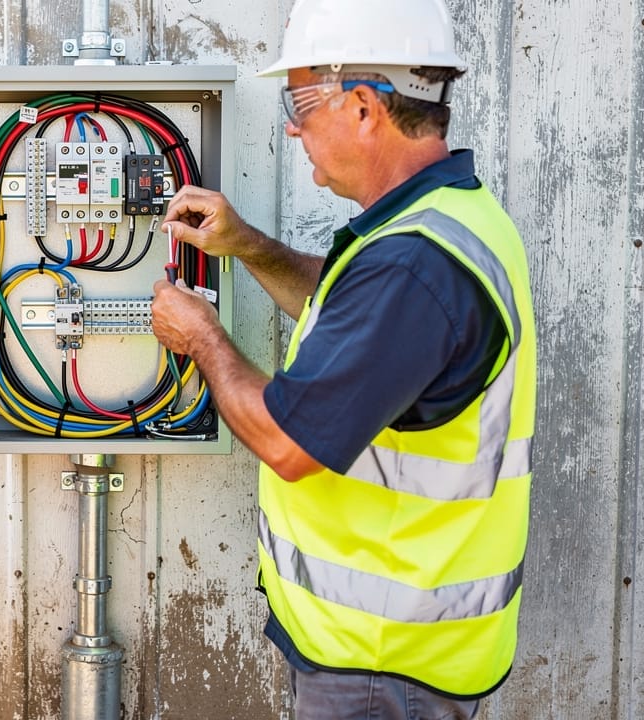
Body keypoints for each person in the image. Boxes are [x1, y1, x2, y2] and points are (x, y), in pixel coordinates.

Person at [149, 0, 535, 718]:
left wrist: (200, 335)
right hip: (398, 651)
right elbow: (356, 332)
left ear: (363, 107)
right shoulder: (447, 221)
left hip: (386, 666)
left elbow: (288, 443)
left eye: (300, 100)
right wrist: (248, 245)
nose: (292, 125)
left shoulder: (413, 264)